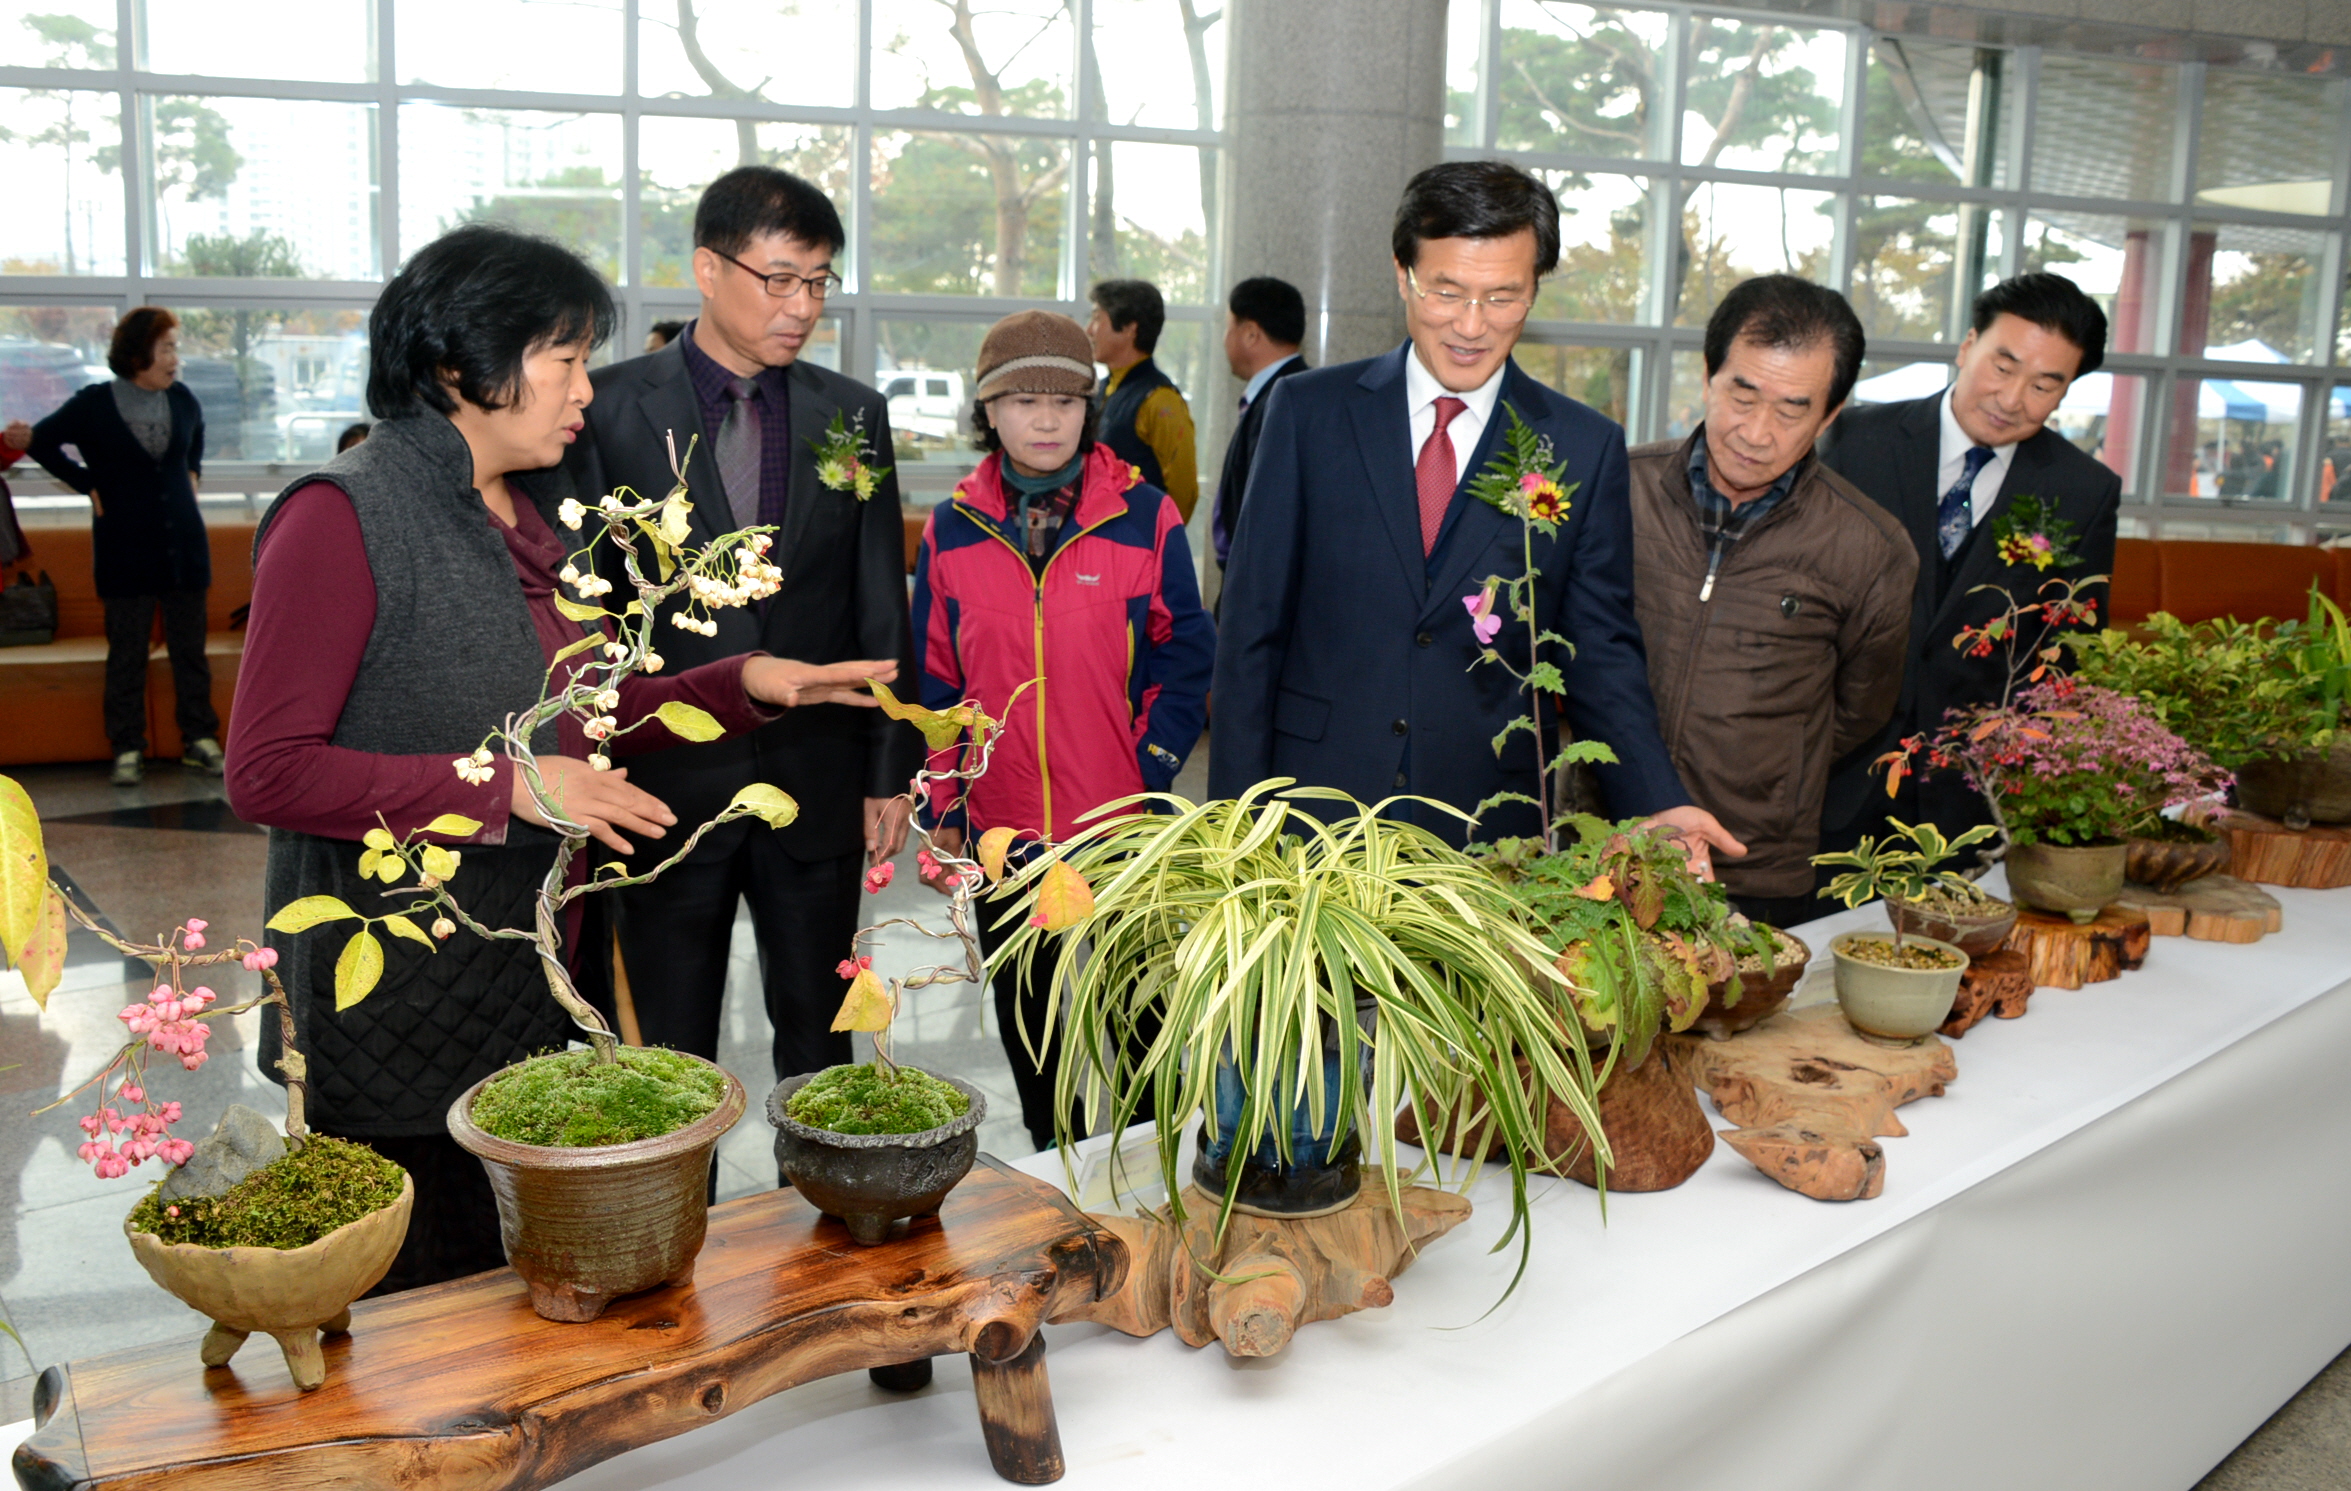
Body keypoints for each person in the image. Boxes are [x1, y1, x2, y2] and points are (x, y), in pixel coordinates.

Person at [225, 223, 889, 1292]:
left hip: (519, 974)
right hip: (399, 1000)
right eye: (564, 358)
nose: (585, 390)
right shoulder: (342, 514)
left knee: (518, 1301)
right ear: (459, 366)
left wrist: (741, 683)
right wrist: (517, 789)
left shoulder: (525, 514)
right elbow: (268, 770)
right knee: (429, 1315)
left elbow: (583, 714)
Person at [1213, 160, 1741, 866]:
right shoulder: (1309, 414)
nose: (1470, 325)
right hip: (1312, 813)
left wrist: (1657, 799)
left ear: (1534, 290)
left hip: (1487, 832)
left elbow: (1598, 652)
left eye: (1502, 297)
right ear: (1402, 274)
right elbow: (1250, 631)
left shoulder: (1580, 447)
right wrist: (1232, 832)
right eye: (1446, 291)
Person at [564, 166, 922, 1091]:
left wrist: (890, 768)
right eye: (780, 279)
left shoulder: (852, 414)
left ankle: (823, 1188)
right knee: (671, 1053)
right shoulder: (605, 410)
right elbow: (584, 610)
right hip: (663, 784)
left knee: (821, 1040)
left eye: (818, 282)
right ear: (708, 268)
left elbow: (880, 602)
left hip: (817, 774)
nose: (802, 306)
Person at [908, 310, 1212, 1150]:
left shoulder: (1144, 516)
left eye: (1065, 402)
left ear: (1089, 409)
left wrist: (1149, 766)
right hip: (1003, 826)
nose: (1046, 420)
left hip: (1119, 821)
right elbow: (937, 681)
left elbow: (1185, 650)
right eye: (1023, 401)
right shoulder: (951, 527)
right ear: (988, 410)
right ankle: (1054, 1165)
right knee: (1032, 1019)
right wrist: (945, 804)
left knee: (1139, 1017)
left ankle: (1152, 1167)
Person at [1626, 276, 1915, 929]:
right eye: (1742, 394)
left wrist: (1772, 768)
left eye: (1790, 411)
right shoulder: (1619, 488)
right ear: (1707, 375)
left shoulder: (1869, 547)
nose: (1755, 433)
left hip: (1751, 864)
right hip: (1601, 839)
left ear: (1829, 416)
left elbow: (1861, 708)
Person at [1817, 271, 2119, 860]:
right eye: (2002, 367)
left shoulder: (2083, 491)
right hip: (1834, 775)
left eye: (2044, 385)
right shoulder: (1856, 441)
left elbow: (2069, 650)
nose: (2011, 399)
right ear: (1967, 345)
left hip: (1967, 800)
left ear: (2065, 392)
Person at [25, 308, 220, 786]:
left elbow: (195, 437)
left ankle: (199, 739)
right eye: (167, 348)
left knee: (190, 652)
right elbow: (40, 441)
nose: (175, 358)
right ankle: (127, 746)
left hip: (183, 547)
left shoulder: (183, 398)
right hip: (125, 550)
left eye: (175, 347)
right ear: (137, 354)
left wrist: (192, 474)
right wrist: (86, 484)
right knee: (127, 654)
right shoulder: (94, 404)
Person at [1210, 276, 1309, 572]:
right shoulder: (1296, 391)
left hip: (1259, 576)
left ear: (1251, 334)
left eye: (1228, 327)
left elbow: (1270, 511)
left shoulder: (1282, 402)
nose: (1225, 339)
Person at [1087, 279, 1199, 521]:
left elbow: (1183, 490)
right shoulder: (1100, 390)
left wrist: (1163, 536)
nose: (1089, 330)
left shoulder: (1160, 400)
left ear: (1129, 328)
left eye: (1097, 319)